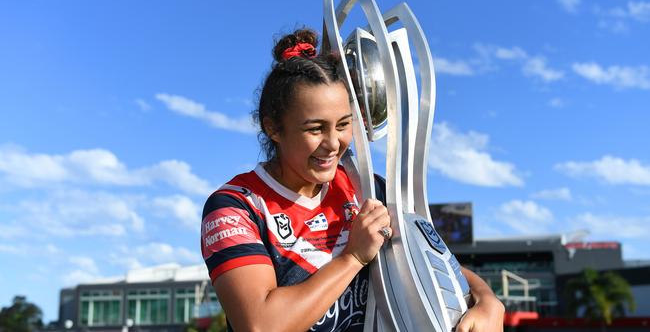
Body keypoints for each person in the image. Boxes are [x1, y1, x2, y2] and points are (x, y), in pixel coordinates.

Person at [201, 29, 505, 332]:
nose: (333, 143)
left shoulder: (365, 188)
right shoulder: (234, 207)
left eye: (343, 124)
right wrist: (353, 258)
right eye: (315, 128)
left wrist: (487, 300)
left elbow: (429, 263)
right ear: (274, 129)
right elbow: (260, 324)